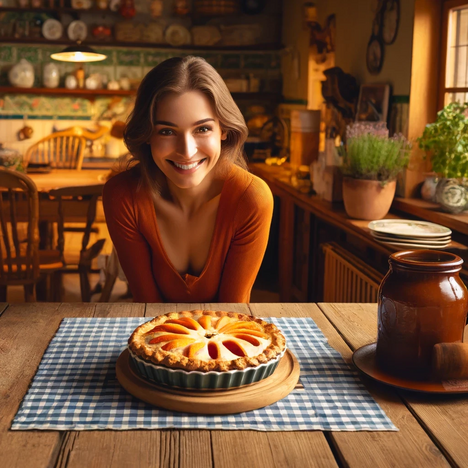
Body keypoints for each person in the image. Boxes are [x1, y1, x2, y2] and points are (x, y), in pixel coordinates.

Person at [103, 56, 273, 303]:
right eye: (167, 131)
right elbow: (146, 306)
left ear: (223, 129)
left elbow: (233, 313)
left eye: (202, 129)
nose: (187, 150)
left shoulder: (252, 198)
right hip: (153, 337)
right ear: (147, 134)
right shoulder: (123, 196)